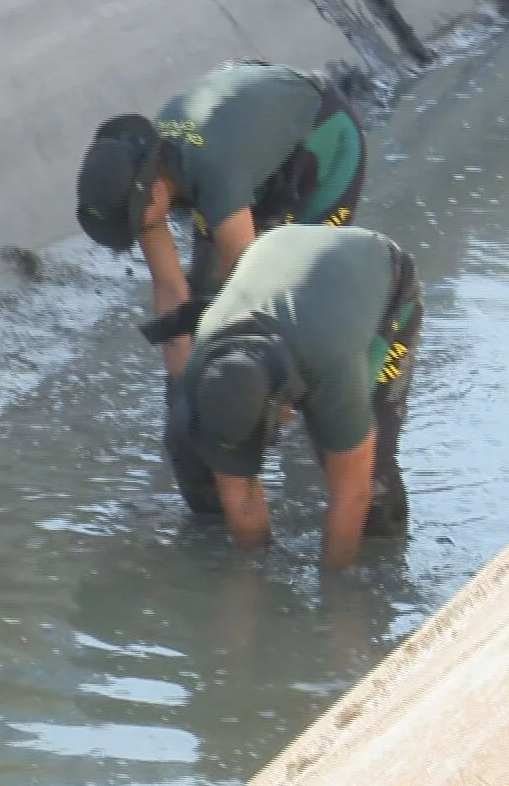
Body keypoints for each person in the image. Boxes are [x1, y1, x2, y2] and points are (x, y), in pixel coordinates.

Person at [73, 58, 368, 515]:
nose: (139, 232)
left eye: (136, 223)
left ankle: (313, 424)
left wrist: (247, 410)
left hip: (321, 145)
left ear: (153, 192)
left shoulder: (212, 170)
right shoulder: (147, 174)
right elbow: (172, 291)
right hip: (246, 151)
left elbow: (257, 298)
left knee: (294, 302)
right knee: (206, 307)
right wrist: (184, 403)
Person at [171, 224, 422, 568]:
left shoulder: (332, 368)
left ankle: (387, 560)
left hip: (378, 272)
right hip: (279, 247)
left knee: (369, 474)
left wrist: (332, 592)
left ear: (284, 406)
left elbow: (352, 496)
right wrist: (255, 575)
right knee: (188, 451)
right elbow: (238, 493)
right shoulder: (204, 361)